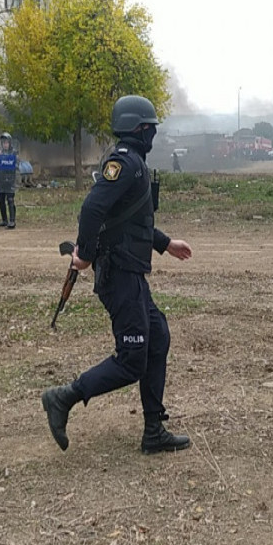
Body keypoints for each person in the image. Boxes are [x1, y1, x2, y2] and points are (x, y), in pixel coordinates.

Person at [41, 95, 194, 454]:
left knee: (158, 337)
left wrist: (165, 243)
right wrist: (85, 254)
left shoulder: (134, 163)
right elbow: (92, 209)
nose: (154, 134)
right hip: (120, 274)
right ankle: (63, 397)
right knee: (131, 360)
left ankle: (154, 430)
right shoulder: (124, 163)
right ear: (139, 129)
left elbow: (131, 220)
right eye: (151, 128)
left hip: (132, 272)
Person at [0, 132, 18, 229]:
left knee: (10, 200)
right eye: (3, 143)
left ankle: (12, 221)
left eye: (7, 143)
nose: (5, 145)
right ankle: (4, 220)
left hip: (10, 180)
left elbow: (16, 165)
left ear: (10, 143)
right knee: (0, 200)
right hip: (1, 180)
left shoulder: (14, 153)